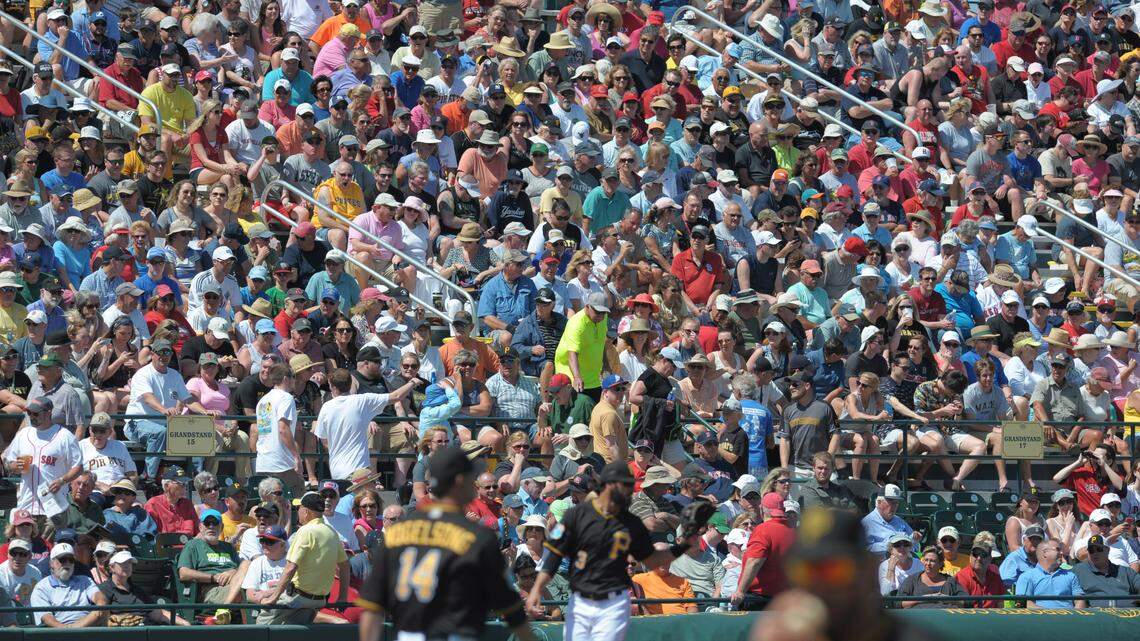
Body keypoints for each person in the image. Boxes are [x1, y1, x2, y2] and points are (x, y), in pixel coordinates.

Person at [358, 446, 535, 641]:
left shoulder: (397, 533)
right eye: (471, 477)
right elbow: (508, 603)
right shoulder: (476, 536)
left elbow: (372, 607)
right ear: (459, 481)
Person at [527, 461, 703, 639]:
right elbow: (553, 554)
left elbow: (652, 559)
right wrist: (537, 589)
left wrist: (683, 546)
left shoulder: (632, 523)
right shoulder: (573, 516)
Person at [257, 492, 349, 624]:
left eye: (299, 508)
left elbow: (290, 568)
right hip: (319, 601)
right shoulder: (332, 532)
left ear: (306, 512)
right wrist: (343, 597)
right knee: (291, 627)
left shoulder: (305, 530)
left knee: (262, 623)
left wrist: (273, 598)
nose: (297, 511)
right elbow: (345, 565)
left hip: (298, 598)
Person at [2, 397, 81, 529]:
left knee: (52, 542)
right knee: (23, 542)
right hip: (26, 505)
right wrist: (13, 466)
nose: (32, 416)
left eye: (36, 413)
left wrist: (62, 481)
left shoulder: (65, 436)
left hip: (54, 506)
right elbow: (8, 462)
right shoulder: (23, 434)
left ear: (49, 413)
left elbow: (78, 467)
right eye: (29, 413)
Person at [730, 492, 797, 610]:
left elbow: (754, 561)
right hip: (783, 599)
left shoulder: (763, 530)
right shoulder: (792, 533)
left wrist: (740, 591)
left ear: (762, 510)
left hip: (759, 599)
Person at [175, 509, 249, 605]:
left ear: (221, 527)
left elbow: (241, 570)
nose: (211, 527)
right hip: (211, 589)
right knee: (243, 592)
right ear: (200, 527)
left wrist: (233, 572)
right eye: (207, 523)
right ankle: (225, 608)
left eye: (215, 523)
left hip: (234, 584)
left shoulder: (228, 547)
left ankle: (225, 608)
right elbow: (184, 573)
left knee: (247, 564)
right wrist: (213, 577)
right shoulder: (193, 545)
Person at [29, 543, 108, 628]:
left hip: (87, 629)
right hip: (57, 632)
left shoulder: (85, 580)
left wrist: (77, 626)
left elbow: (100, 599)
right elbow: (46, 618)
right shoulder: (41, 587)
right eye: (62, 559)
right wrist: (67, 629)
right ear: (51, 563)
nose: (67, 563)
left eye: (71, 560)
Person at [1073, 534, 1140, 607]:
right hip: (1096, 613)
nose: (1095, 553)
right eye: (1091, 551)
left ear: (1108, 550)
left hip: (1129, 613)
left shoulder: (1125, 571)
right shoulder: (1079, 570)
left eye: (1099, 549)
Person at [1015, 539, 1085, 608]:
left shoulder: (1070, 575)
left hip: (1069, 615)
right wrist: (1049, 613)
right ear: (1045, 553)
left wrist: (1074, 614)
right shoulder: (1027, 577)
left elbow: (1080, 600)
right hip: (1040, 615)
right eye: (1057, 549)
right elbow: (1021, 603)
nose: (1061, 553)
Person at [861, 484, 922, 554]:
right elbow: (864, 550)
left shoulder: (899, 521)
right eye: (891, 502)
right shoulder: (867, 523)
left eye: (897, 502)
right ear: (879, 502)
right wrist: (891, 545)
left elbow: (916, 548)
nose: (895, 506)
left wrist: (914, 539)